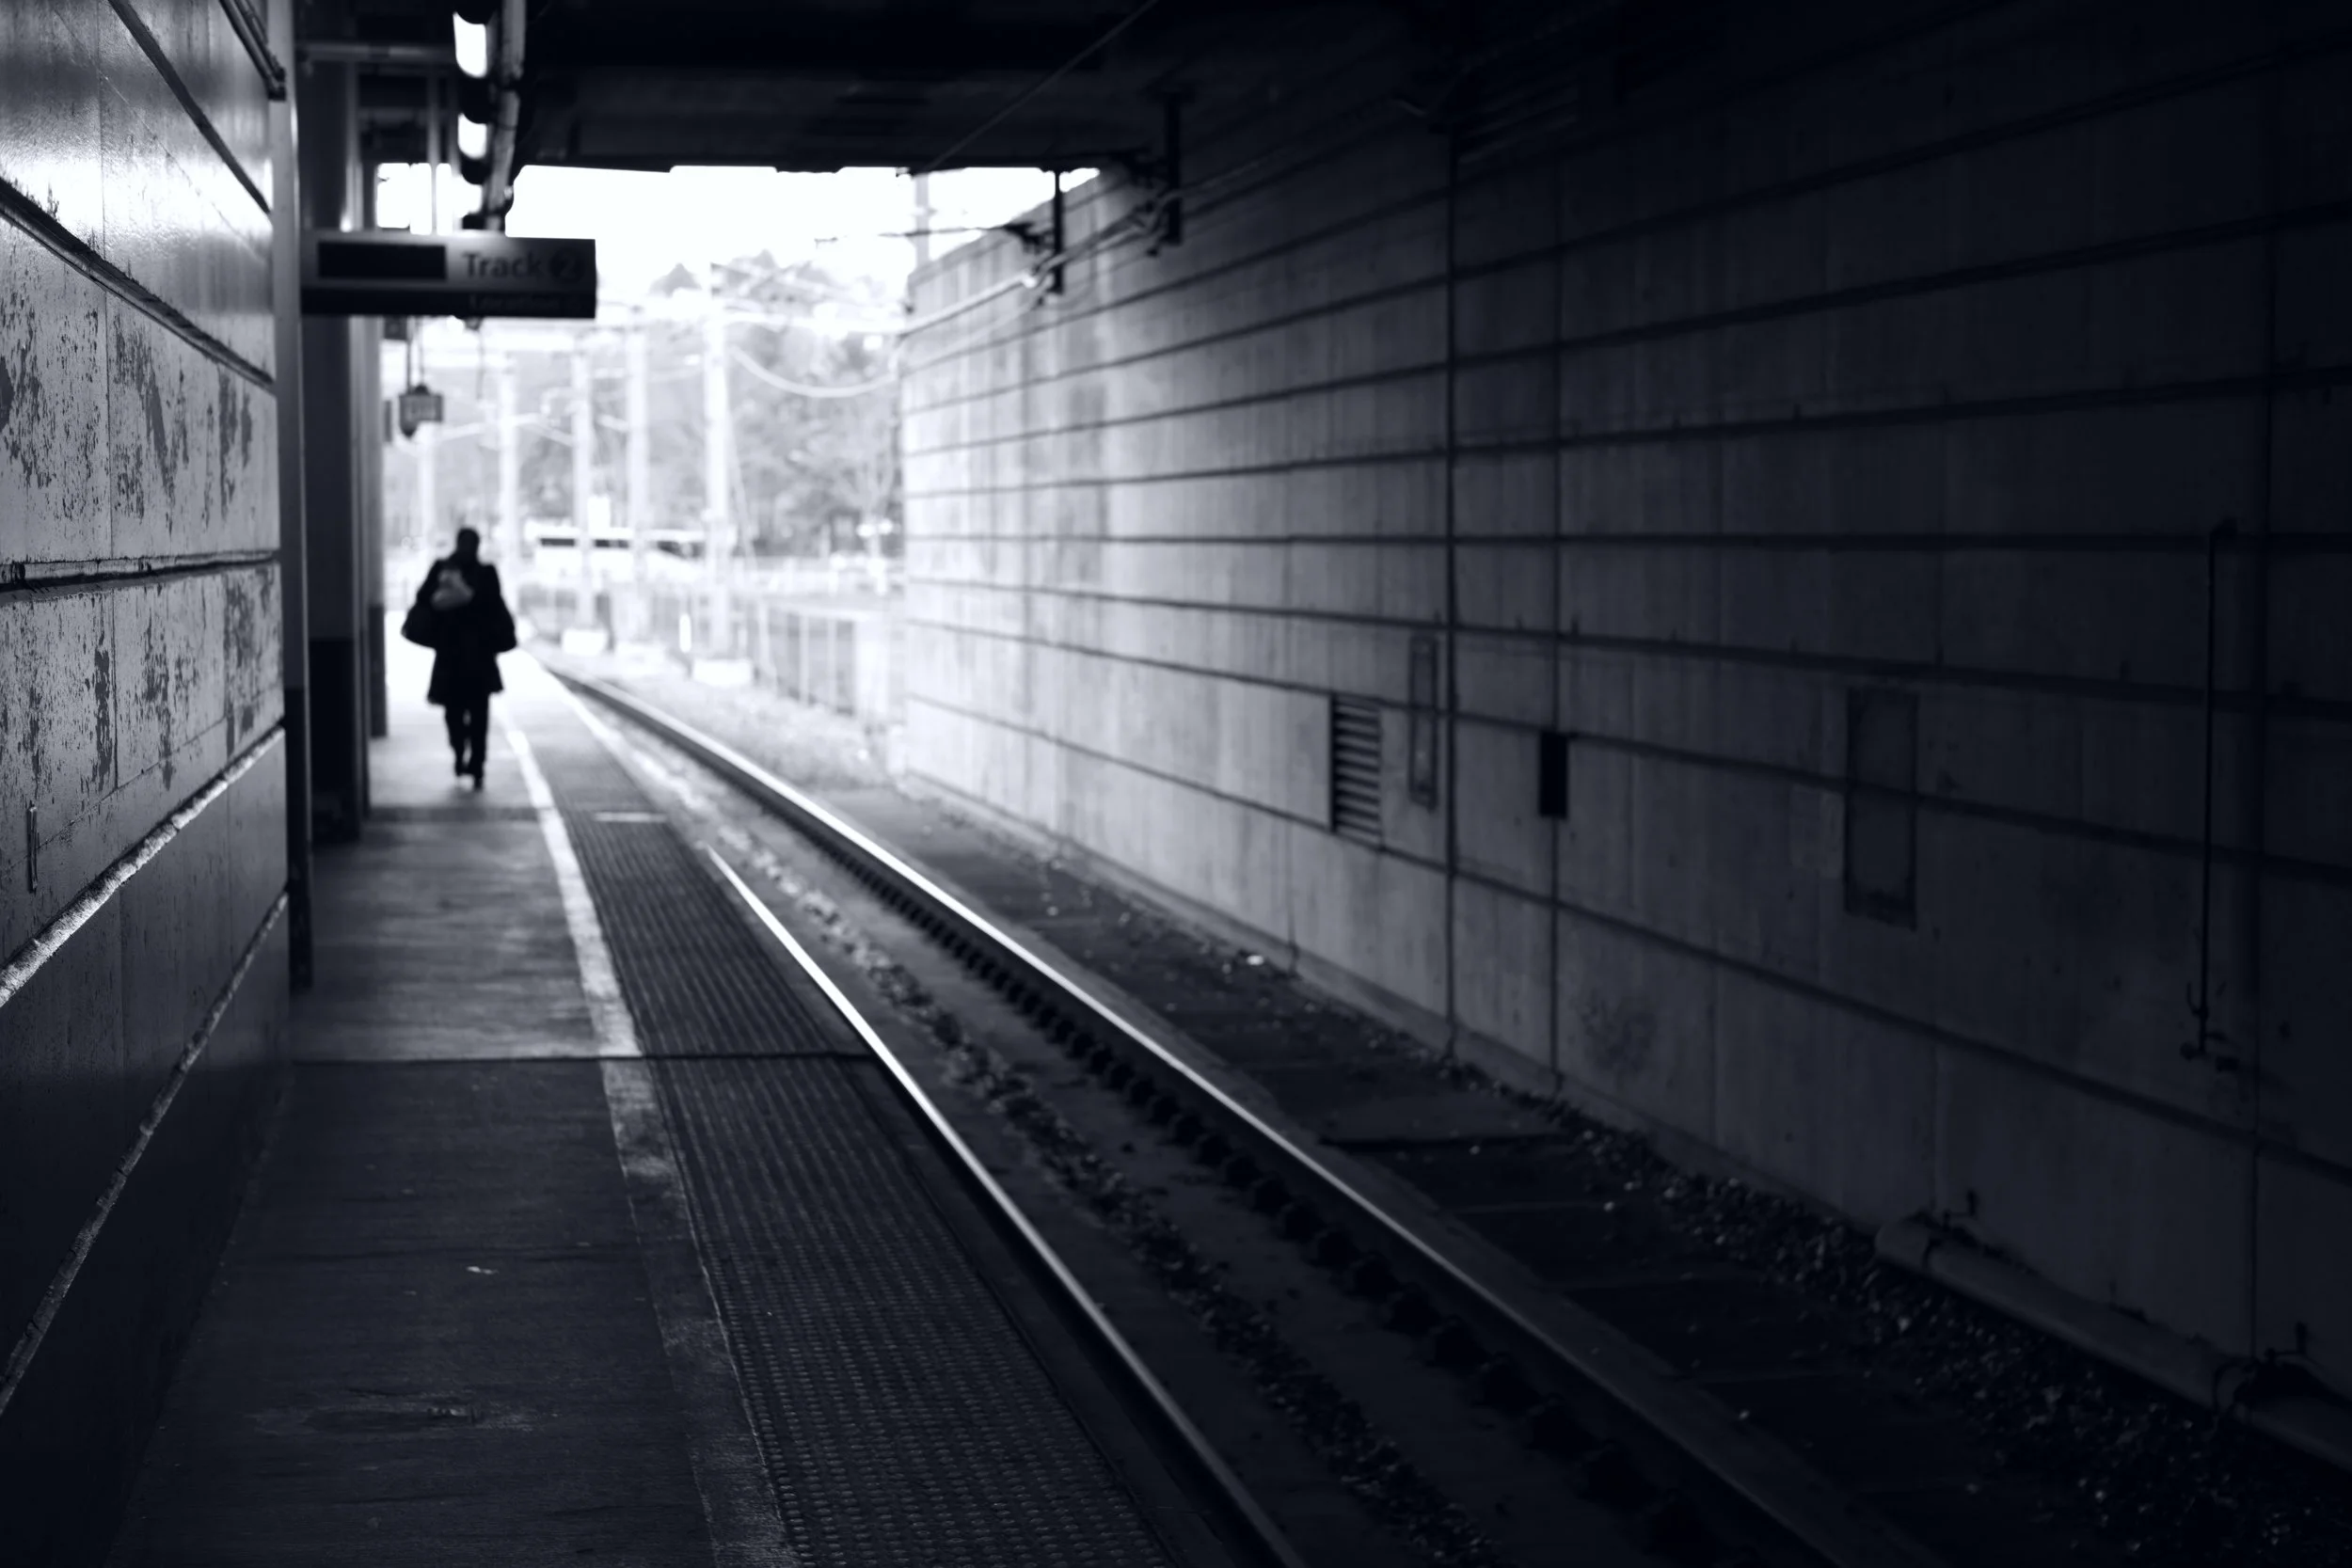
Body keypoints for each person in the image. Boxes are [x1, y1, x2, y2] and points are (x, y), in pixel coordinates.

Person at [405, 529, 516, 789]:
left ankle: (470, 758)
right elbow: (425, 598)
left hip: (457, 657)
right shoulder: (456, 570)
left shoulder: (480, 573)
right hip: (471, 657)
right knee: (473, 714)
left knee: (459, 712)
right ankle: (469, 757)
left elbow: (424, 599)